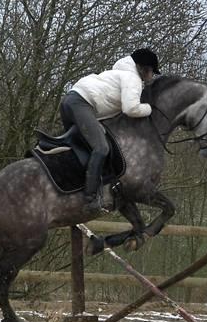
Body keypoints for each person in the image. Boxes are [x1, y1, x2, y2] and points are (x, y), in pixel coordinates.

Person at [59, 48, 161, 212]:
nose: (151, 76)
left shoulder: (118, 74)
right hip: (81, 104)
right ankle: (89, 199)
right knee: (101, 148)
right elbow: (131, 108)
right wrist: (150, 108)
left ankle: (70, 189)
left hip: (70, 101)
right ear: (143, 68)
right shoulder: (132, 78)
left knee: (81, 149)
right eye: (151, 72)